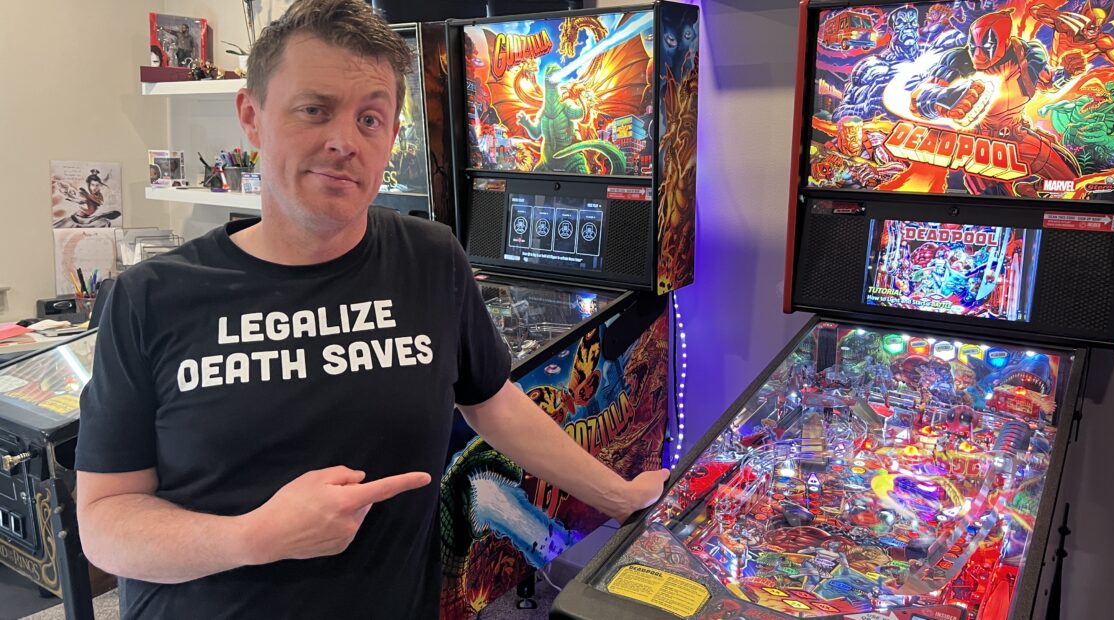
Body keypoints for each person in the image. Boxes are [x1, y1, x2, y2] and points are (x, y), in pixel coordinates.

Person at [74, 1, 669, 618]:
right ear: (251, 116)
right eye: (314, 109)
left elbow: (495, 404)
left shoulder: (431, 259)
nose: (344, 142)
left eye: (370, 119)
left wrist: (619, 495)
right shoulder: (150, 296)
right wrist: (256, 536)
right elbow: (105, 521)